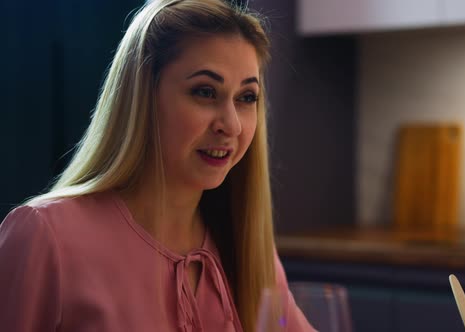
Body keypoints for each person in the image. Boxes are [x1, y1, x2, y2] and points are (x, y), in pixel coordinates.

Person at [0, 0, 315, 331]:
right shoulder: (45, 237)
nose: (232, 125)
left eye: (247, 97)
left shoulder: (249, 252)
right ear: (142, 97)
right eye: (205, 92)